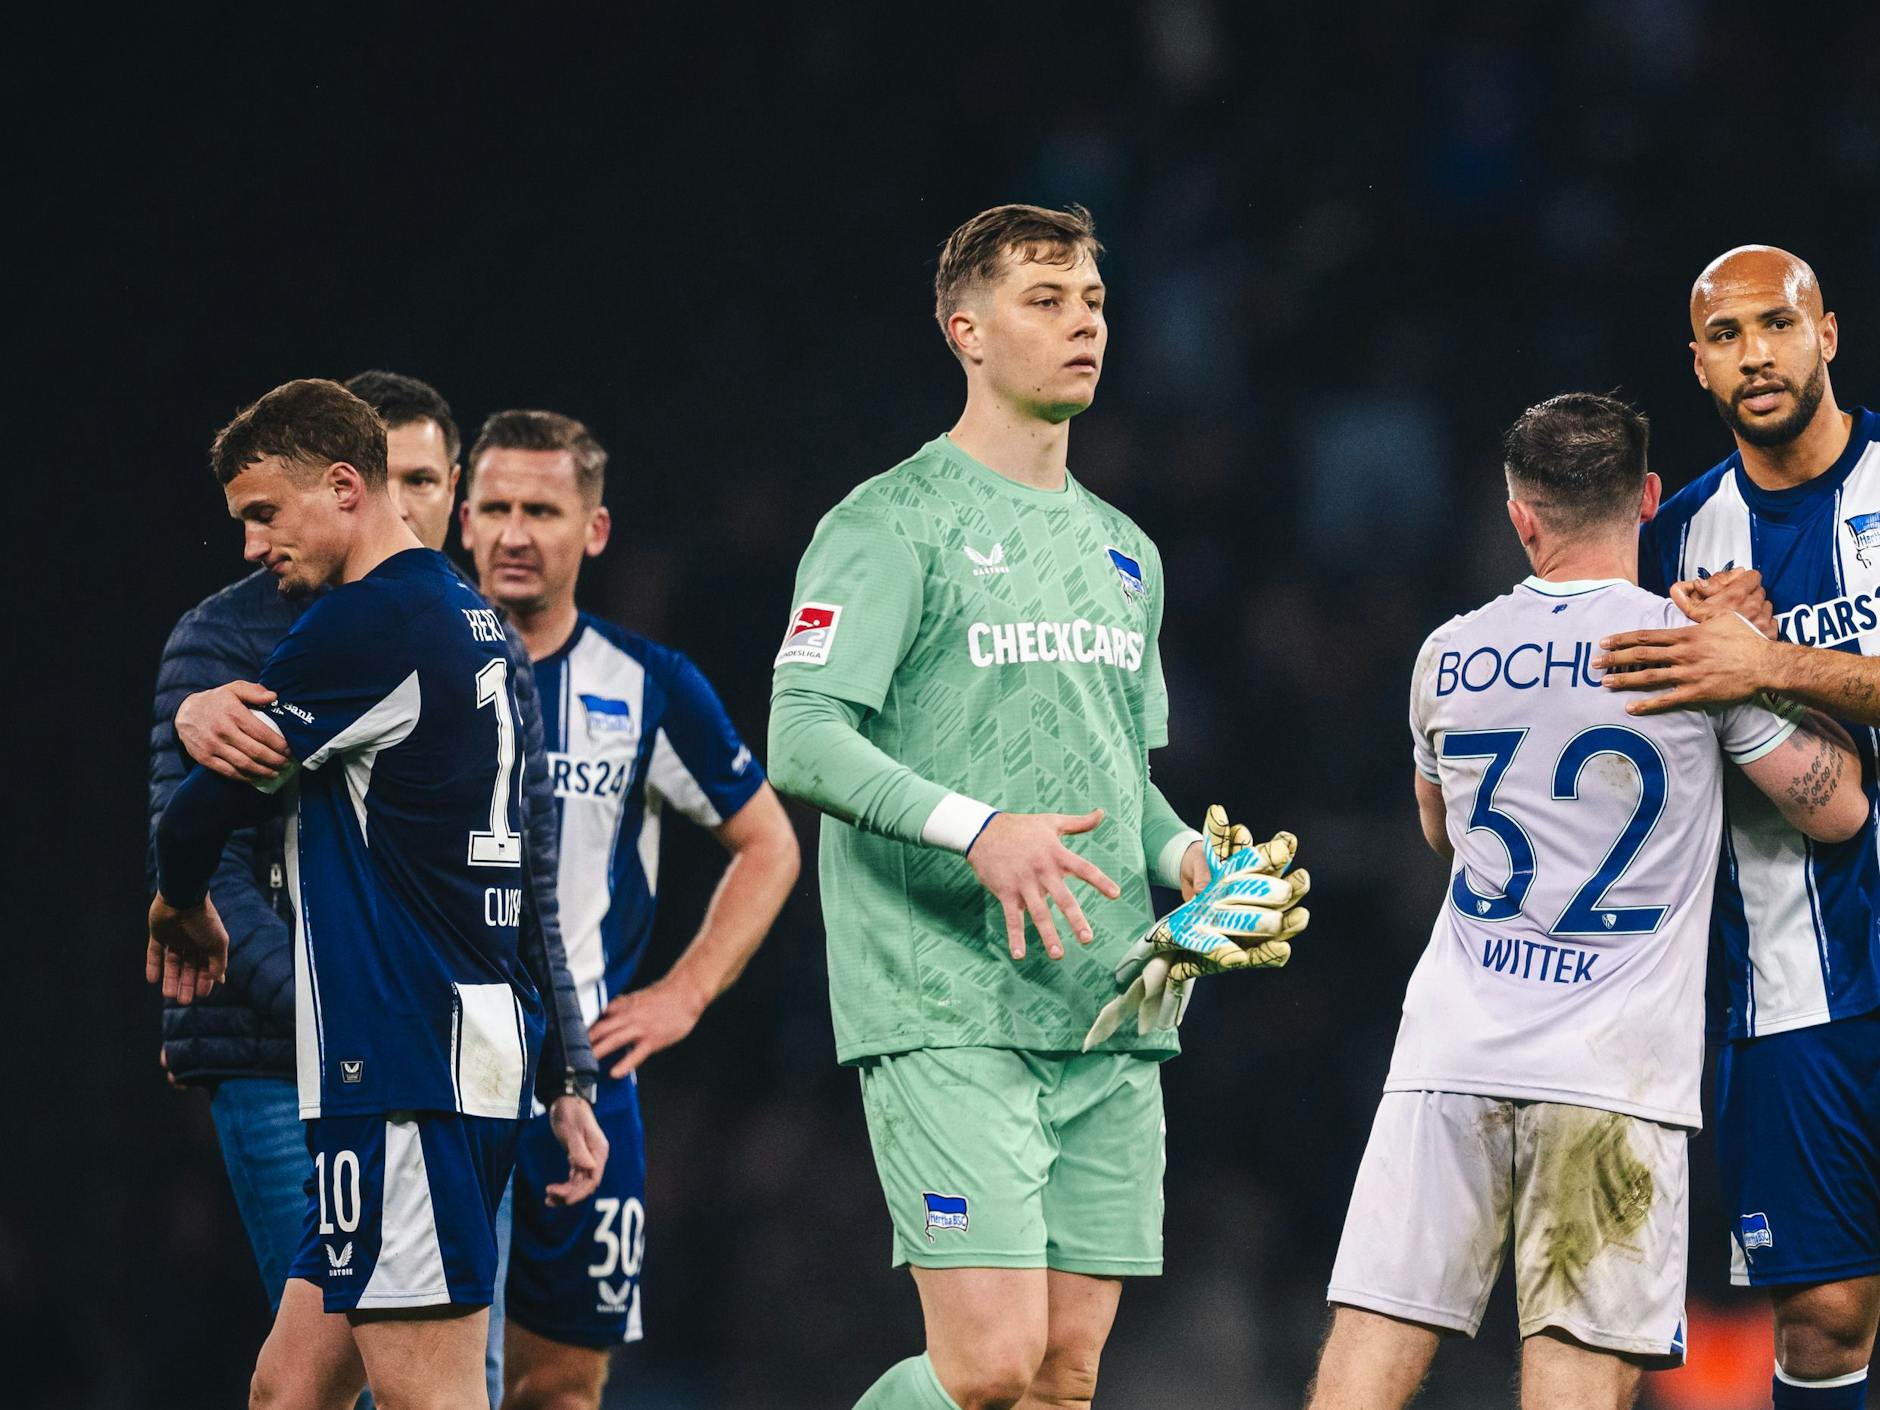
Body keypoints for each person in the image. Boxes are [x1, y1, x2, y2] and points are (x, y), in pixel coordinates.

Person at [767, 202, 1288, 1410]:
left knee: (1060, 1379)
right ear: (965, 330)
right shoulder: (886, 522)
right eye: (1043, 303)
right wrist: (975, 830)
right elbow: (800, 737)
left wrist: (1192, 868)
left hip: (1111, 1006)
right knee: (987, 1368)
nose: (1081, 326)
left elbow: (1120, 779)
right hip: (946, 998)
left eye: (1093, 303)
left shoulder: (1124, 551)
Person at [1307, 392, 1865, 1410]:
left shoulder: (1447, 653)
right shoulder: (1690, 654)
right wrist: (1760, 672)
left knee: (1366, 1352)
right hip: (1610, 1075)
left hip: (1448, 1054)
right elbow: (1834, 813)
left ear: (1519, 513)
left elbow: (1440, 834)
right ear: (1647, 498)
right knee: (1570, 1378)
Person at [152, 370, 604, 1408]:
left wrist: (176, 900)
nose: (256, 547)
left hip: (408, 1061)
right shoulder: (467, 614)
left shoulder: (367, 626)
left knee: (427, 1396)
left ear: (345, 486)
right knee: (289, 1389)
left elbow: (199, 814)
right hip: (449, 1048)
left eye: (265, 513)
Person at [456, 408, 800, 1409]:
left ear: (592, 531)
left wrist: (684, 994)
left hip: (585, 1079)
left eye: (544, 510)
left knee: (560, 1385)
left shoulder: (646, 686)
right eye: (498, 508)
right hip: (425, 1070)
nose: (517, 532)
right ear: (462, 523)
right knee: (415, 1379)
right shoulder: (394, 671)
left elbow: (768, 842)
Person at [1597, 246, 1880, 1410]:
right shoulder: (1678, 549)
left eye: (1775, 325)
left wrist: (1766, 662)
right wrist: (1697, 660)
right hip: (1785, 982)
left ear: (1826, 334)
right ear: (1697, 367)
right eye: (1724, 337)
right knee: (1821, 1316)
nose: (1754, 354)